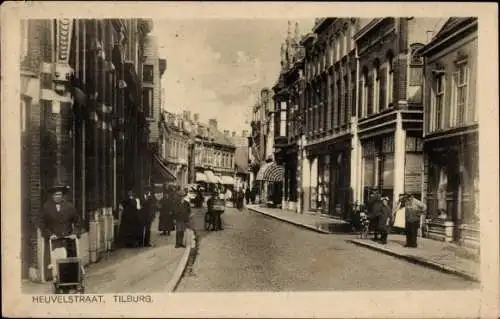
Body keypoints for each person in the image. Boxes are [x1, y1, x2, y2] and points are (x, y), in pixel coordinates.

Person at [39, 184, 82, 281]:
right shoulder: (46, 208)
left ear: (62, 196)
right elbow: (41, 224)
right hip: (54, 240)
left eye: (59, 194)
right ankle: (55, 279)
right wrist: (50, 234)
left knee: (69, 261)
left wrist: (75, 233)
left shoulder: (69, 206)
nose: (58, 196)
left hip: (68, 240)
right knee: (54, 263)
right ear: (52, 196)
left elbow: (78, 221)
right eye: (55, 195)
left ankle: (71, 280)